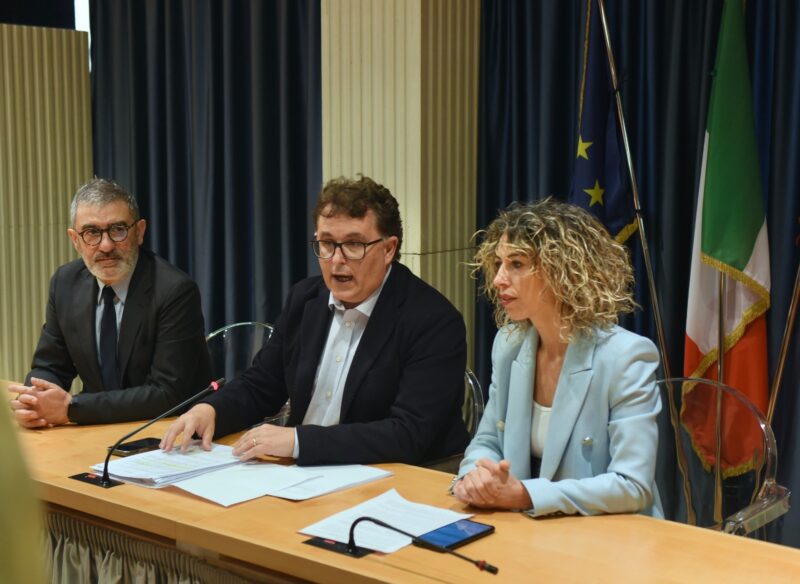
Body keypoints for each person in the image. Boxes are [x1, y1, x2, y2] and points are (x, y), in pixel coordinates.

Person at [161, 175, 469, 465]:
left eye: (354, 245)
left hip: (390, 479)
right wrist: (211, 410)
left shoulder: (433, 321)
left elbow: (408, 434)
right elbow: (262, 385)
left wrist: (299, 441)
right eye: (327, 243)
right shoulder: (306, 299)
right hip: (303, 475)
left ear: (389, 249)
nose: (337, 260)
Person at [453, 199, 663, 517]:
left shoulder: (625, 356)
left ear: (561, 270)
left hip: (608, 533)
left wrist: (526, 495)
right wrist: (474, 478)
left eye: (516, 264)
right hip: (528, 527)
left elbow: (632, 485)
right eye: (498, 264)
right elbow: (487, 442)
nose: (498, 279)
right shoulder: (508, 345)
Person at [7, 178, 211, 426]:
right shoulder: (65, 283)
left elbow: (167, 394)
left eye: (118, 229)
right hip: (96, 428)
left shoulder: (174, 291)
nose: (106, 245)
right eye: (92, 232)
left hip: (167, 431)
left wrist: (72, 408)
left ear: (139, 232)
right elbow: (50, 366)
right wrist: (34, 400)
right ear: (75, 240)